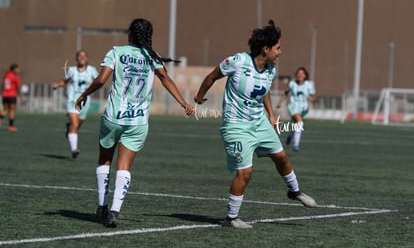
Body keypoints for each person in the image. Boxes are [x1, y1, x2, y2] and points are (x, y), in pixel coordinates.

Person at [194, 20, 316, 229]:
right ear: (265, 49)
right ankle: (231, 218)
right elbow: (212, 76)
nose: (280, 52)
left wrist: (270, 115)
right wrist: (198, 98)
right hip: (236, 126)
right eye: (277, 48)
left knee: (281, 156)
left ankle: (294, 191)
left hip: (259, 122)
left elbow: (264, 91)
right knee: (246, 172)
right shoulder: (238, 61)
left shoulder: (271, 70)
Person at [76, 18, 194, 228]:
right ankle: (114, 211)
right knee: (124, 166)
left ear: (130, 32)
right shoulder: (152, 56)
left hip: (114, 117)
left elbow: (101, 80)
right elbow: (165, 79)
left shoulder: (116, 51)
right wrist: (184, 102)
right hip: (138, 121)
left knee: (105, 160)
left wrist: (84, 94)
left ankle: (102, 206)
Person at [52, 50, 99, 158]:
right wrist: (57, 85)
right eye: (79, 56)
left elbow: (99, 81)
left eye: (84, 56)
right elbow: (65, 81)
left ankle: (69, 129)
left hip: (85, 101)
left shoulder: (92, 70)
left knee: (78, 124)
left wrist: (93, 84)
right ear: (76, 58)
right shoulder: (72, 70)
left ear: (86, 58)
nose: (82, 58)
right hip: (72, 100)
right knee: (75, 124)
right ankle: (74, 149)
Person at [276, 67, 316, 152]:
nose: (300, 75)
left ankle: (290, 135)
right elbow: (285, 93)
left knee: (297, 124)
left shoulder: (309, 84)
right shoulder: (292, 84)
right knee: (300, 122)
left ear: (305, 76)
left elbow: (313, 96)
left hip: (304, 108)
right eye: (298, 73)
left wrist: (311, 99)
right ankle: (296, 145)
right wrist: (280, 102)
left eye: (302, 73)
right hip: (293, 106)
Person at [0, 64, 22, 132]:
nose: (19, 70)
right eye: (17, 69)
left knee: (5, 110)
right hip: (12, 95)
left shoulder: (6, 75)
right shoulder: (15, 77)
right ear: (14, 69)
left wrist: (2, 93)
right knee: (12, 111)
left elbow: (3, 85)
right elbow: (18, 87)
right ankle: (11, 126)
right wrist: (20, 95)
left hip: (5, 95)